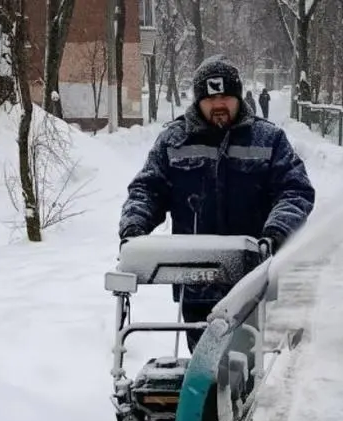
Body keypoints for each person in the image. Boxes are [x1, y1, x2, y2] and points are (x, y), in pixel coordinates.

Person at [118, 55, 315, 352]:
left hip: (248, 278)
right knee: (202, 367)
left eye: (225, 96)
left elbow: (294, 190)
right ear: (198, 101)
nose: (218, 104)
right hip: (194, 279)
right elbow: (148, 189)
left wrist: (275, 234)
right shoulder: (174, 141)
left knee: (240, 368)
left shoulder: (268, 140)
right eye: (210, 98)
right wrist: (133, 228)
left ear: (237, 97)